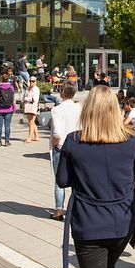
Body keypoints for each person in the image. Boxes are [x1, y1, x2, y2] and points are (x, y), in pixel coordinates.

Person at [56, 85, 135, 268]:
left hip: (90, 224)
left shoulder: (74, 140)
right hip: (123, 221)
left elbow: (62, 180)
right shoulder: (130, 141)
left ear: (88, 109)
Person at [49, 81, 82, 221]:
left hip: (61, 147)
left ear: (62, 92)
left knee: (59, 180)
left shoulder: (57, 110)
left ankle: (59, 210)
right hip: (78, 146)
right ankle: (76, 209)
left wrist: (55, 144)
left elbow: (57, 133)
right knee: (77, 179)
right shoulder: (79, 108)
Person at [0, 74, 16, 146]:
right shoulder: (11, 87)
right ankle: (7, 141)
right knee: (7, 125)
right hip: (9, 108)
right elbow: (12, 97)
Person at [23, 76, 41, 143]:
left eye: (33, 81)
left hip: (34, 107)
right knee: (31, 122)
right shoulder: (28, 88)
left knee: (31, 122)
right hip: (28, 106)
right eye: (30, 81)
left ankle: (29, 137)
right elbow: (24, 96)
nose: (31, 82)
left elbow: (34, 99)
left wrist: (26, 99)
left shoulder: (36, 89)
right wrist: (23, 101)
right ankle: (36, 136)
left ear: (35, 82)